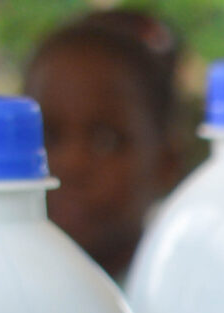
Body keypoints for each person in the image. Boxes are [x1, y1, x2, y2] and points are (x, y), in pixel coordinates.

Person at [22, 9, 183, 279]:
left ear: (167, 162)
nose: (71, 164)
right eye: (47, 136)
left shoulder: (184, 297)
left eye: (106, 141)